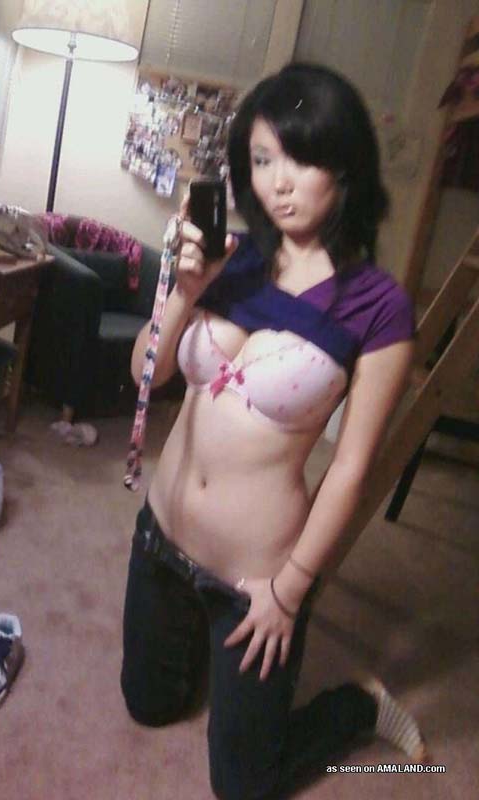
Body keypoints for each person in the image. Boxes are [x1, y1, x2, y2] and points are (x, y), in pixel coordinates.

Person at [120, 63, 426, 800]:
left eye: (301, 158)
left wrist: (288, 592)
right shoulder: (229, 258)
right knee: (148, 705)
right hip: (160, 540)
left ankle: (357, 706)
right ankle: (202, 652)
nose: (278, 182)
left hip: (252, 580)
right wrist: (185, 292)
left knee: (243, 786)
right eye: (261, 160)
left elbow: (351, 469)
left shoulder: (377, 307)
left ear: (344, 167)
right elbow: (145, 377)